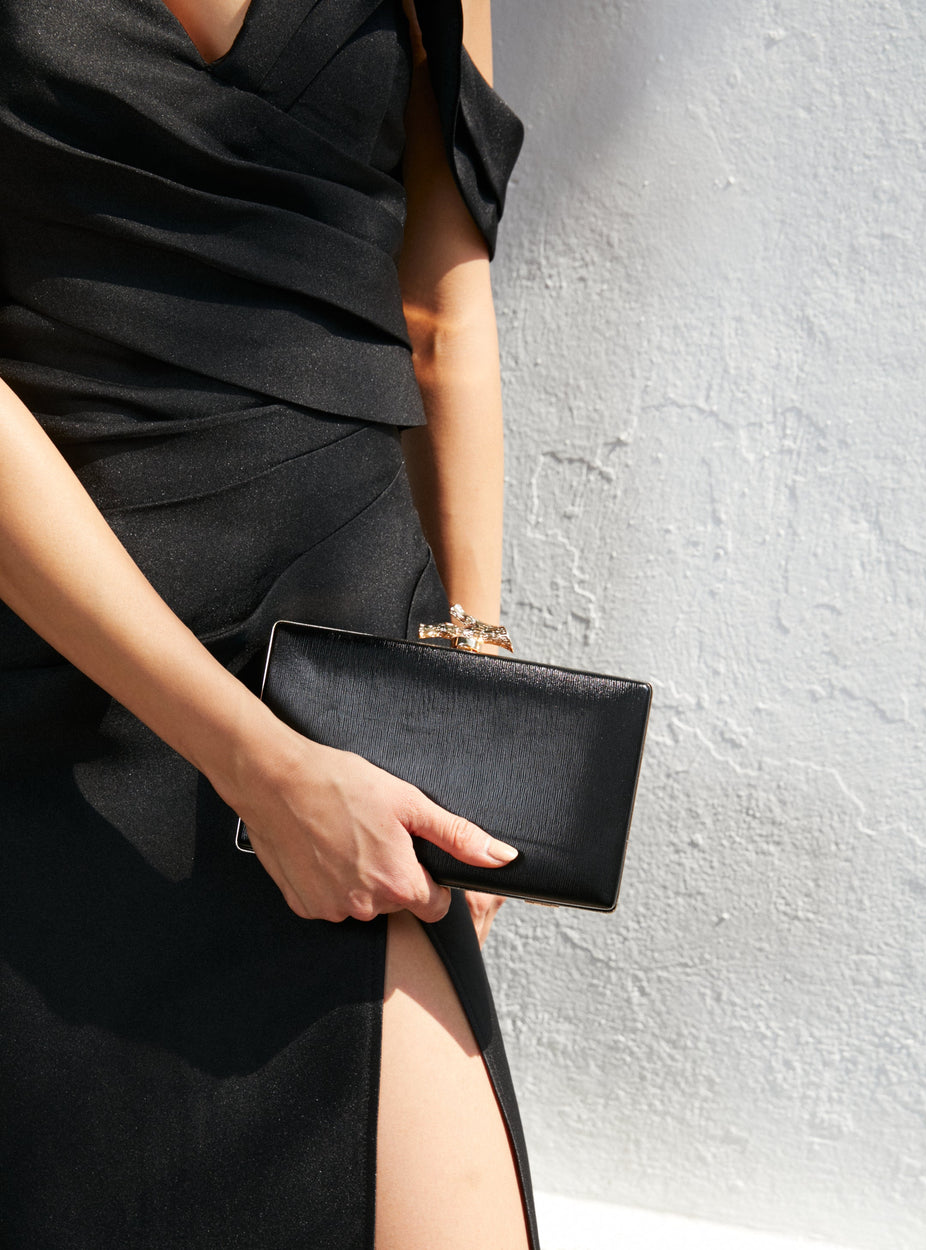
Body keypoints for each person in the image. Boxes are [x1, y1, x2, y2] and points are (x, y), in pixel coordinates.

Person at [0, 0, 536, 1245]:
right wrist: (255, 761)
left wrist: (476, 689)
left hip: (351, 674)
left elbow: (445, 313)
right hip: (65, 673)